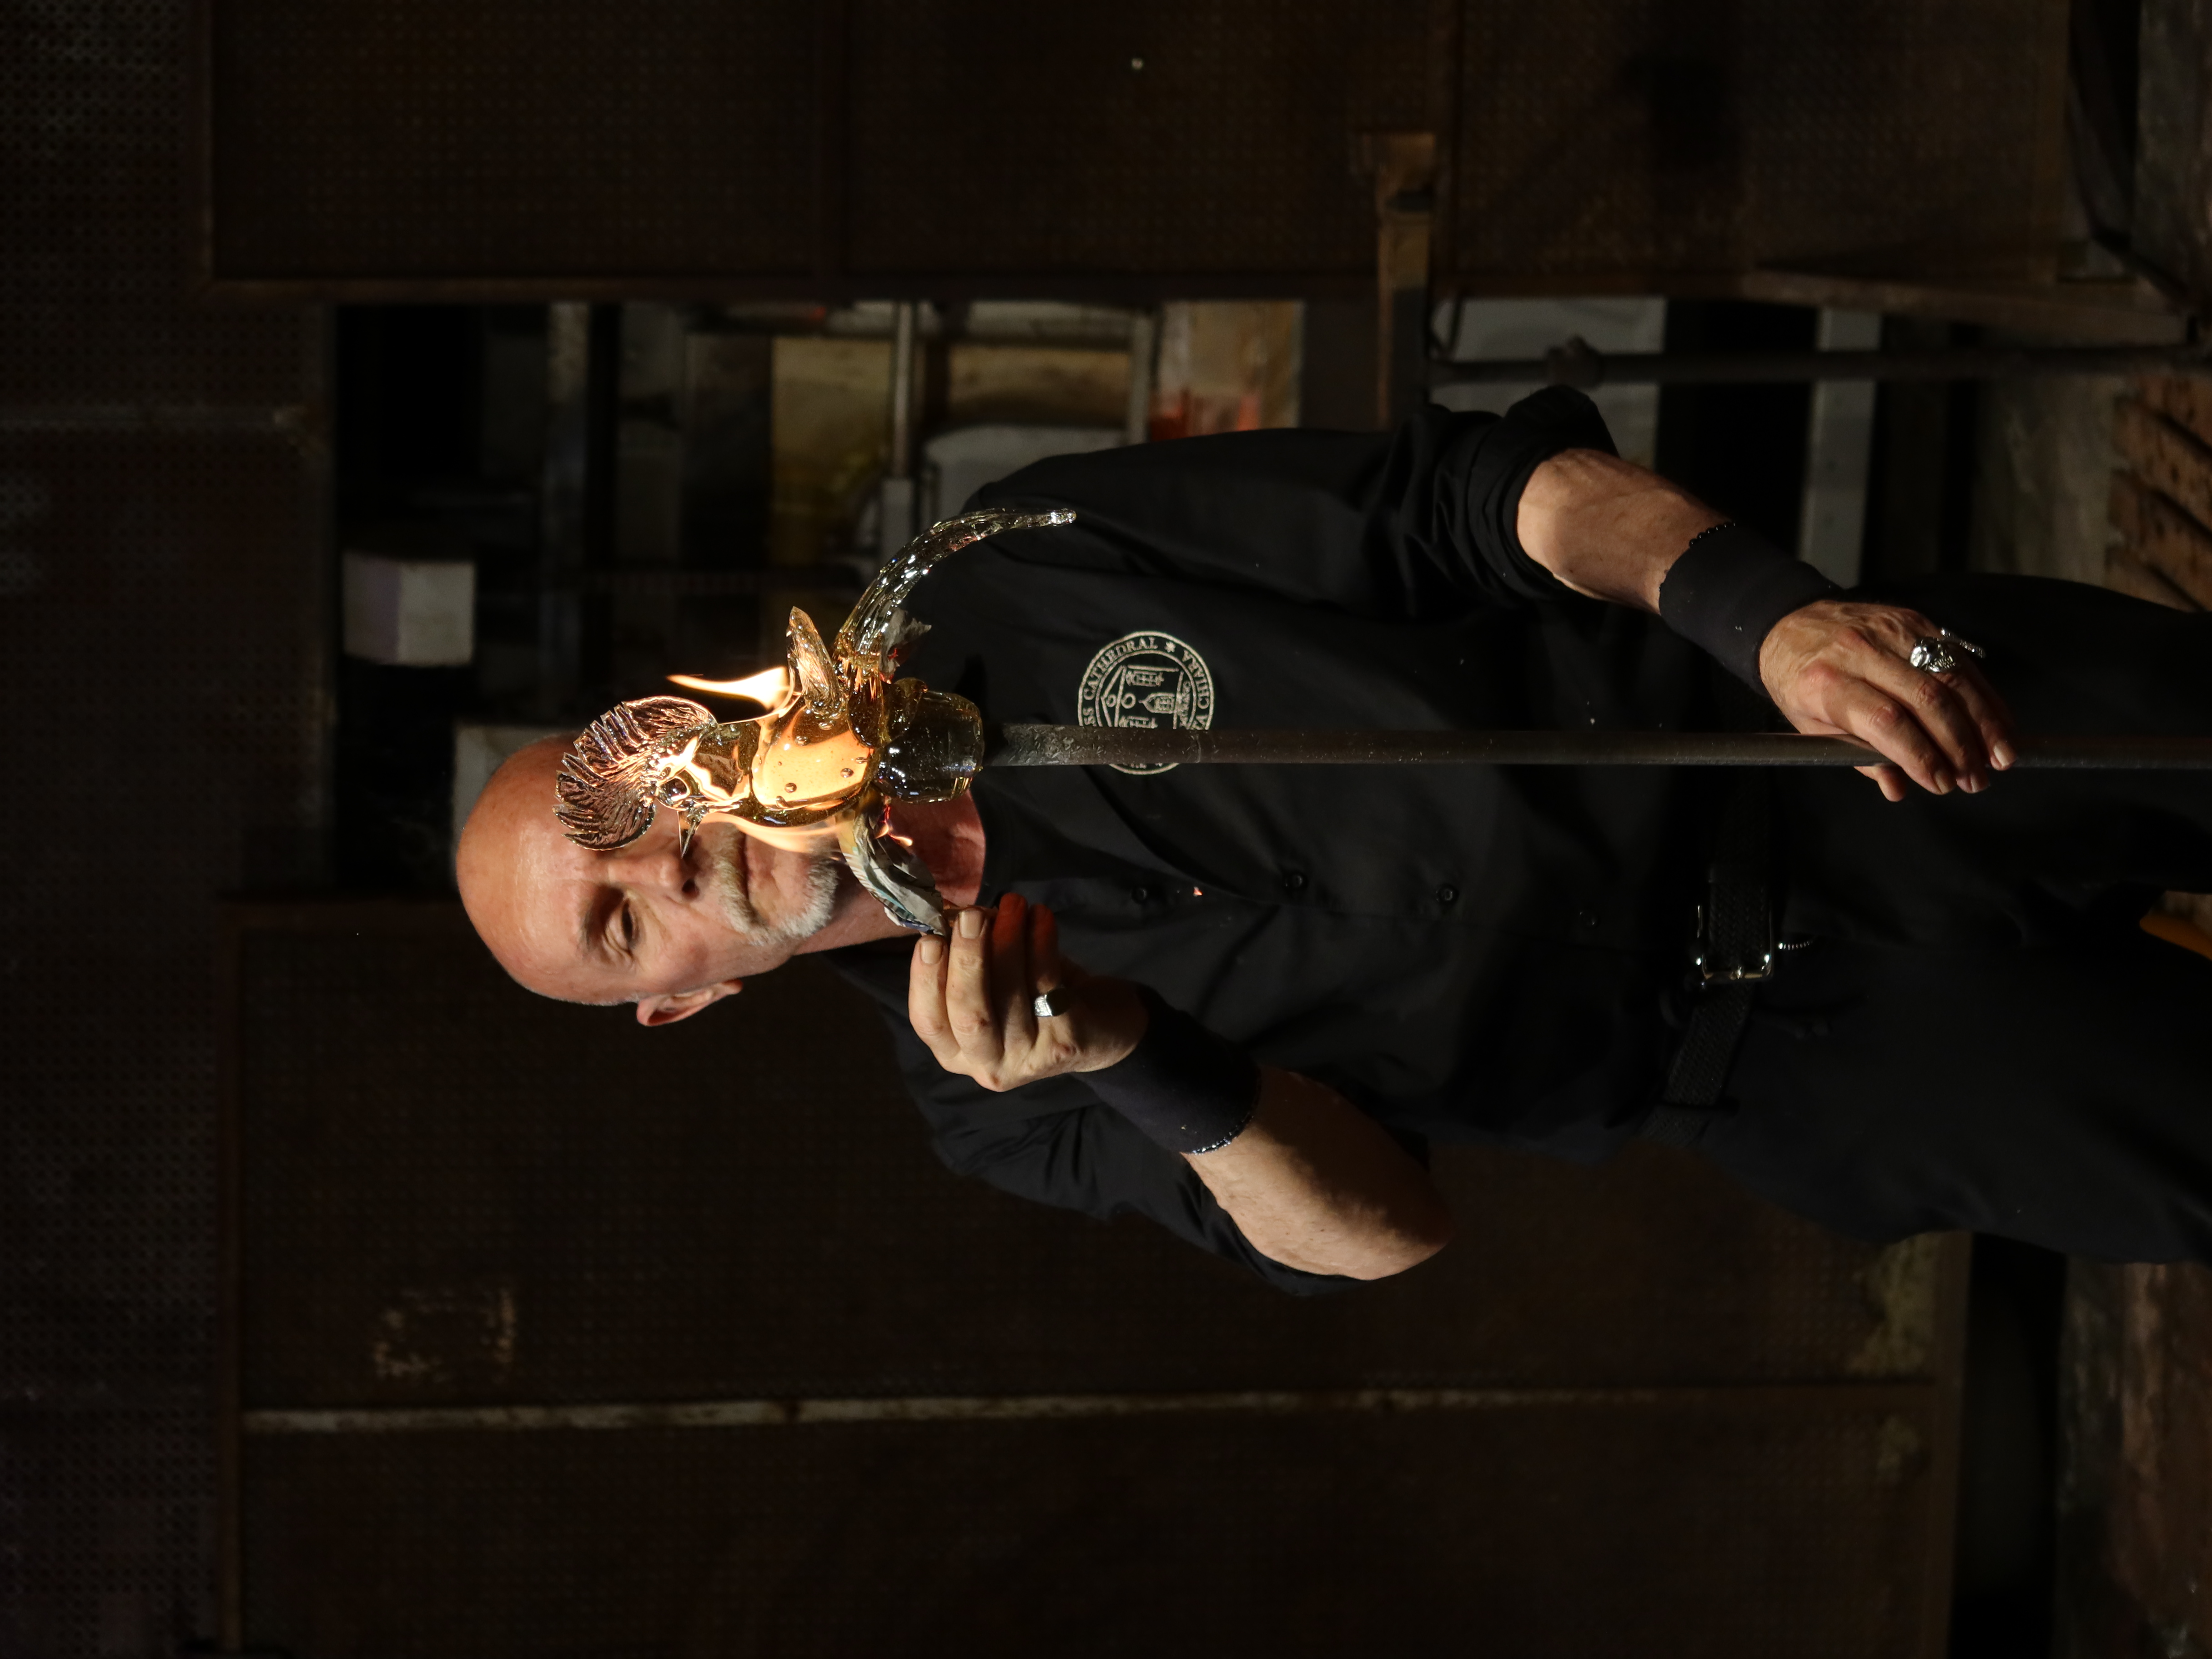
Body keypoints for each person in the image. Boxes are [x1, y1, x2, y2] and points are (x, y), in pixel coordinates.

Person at [458, 390, 2212, 1293]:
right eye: (617, 923)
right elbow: (1378, 1234)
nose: (662, 860)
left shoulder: (1008, 574)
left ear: (669, 726)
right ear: (671, 1003)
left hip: (1787, 742)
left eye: (617, 806)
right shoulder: (992, 1101)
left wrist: (1764, 616)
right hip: (1804, 1064)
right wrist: (1137, 1054)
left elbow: (1459, 495)